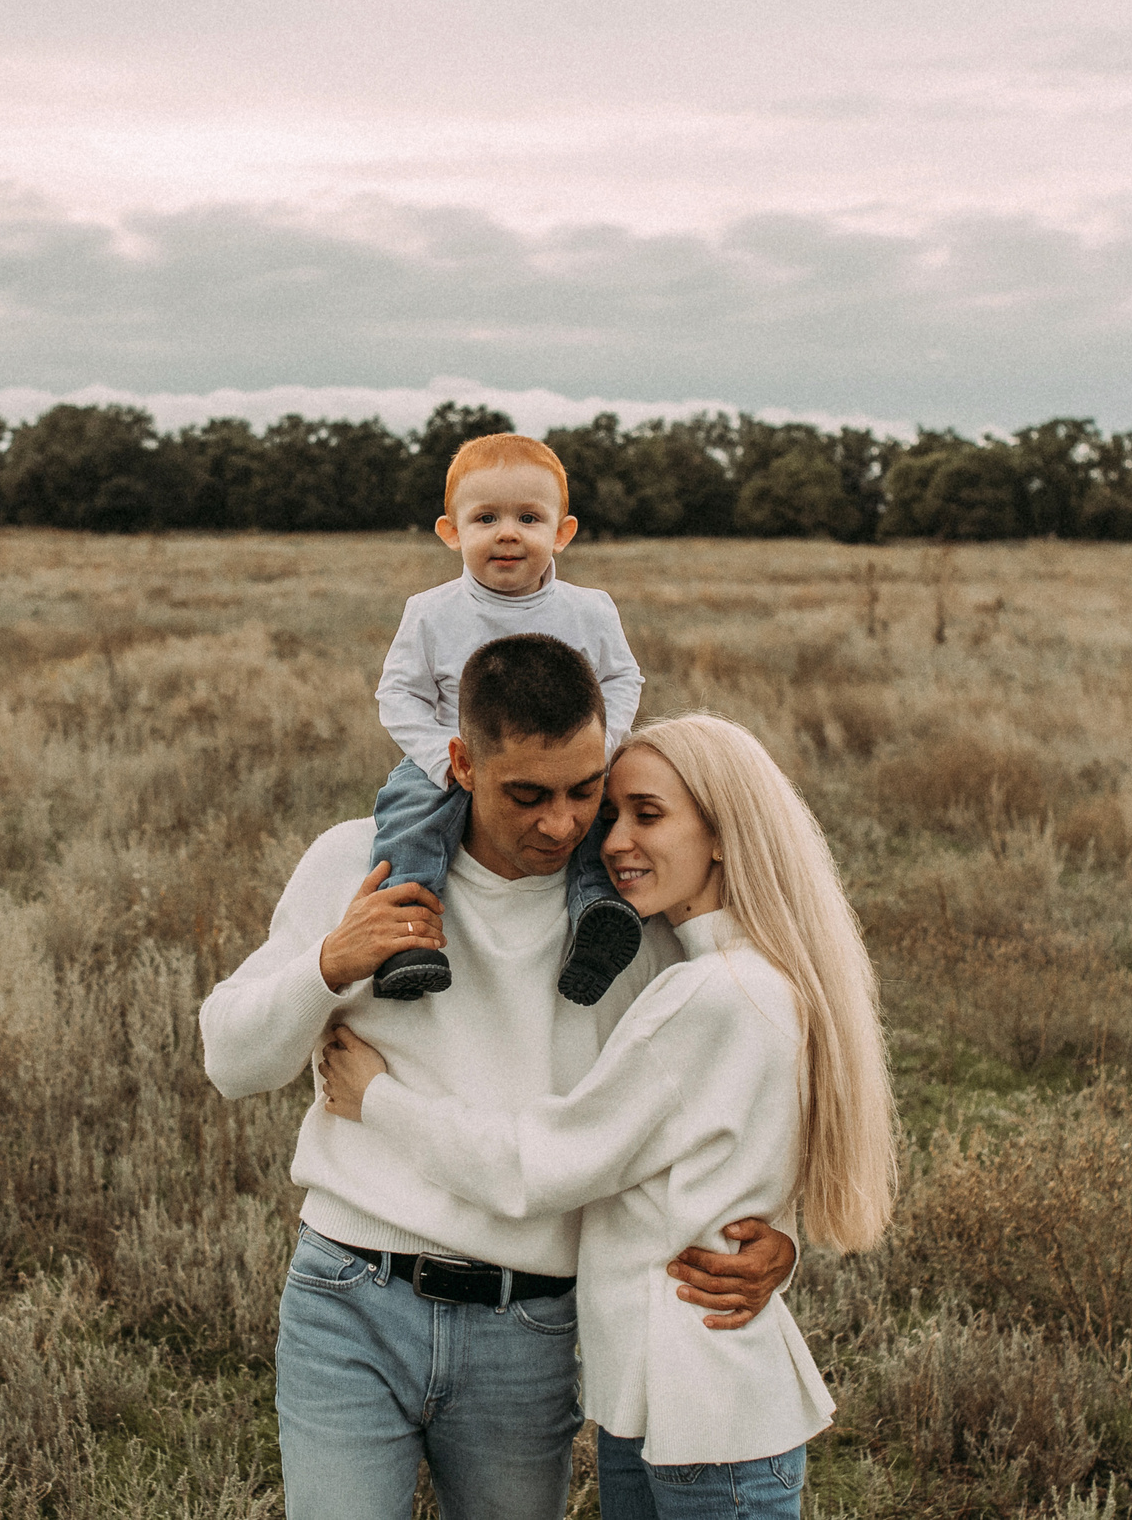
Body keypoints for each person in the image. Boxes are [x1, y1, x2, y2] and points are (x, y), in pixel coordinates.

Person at [201, 638, 798, 1520]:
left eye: (585, 790)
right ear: (462, 763)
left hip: (527, 1326)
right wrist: (328, 964)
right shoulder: (360, 861)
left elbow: (726, 1089)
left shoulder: (629, 916)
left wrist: (777, 1238)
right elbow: (228, 1061)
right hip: (349, 1297)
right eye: (528, 795)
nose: (563, 824)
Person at [317, 712, 898, 1520]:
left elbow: (538, 1165)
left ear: (723, 833)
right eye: (613, 814)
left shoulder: (709, 996)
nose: (614, 842)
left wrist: (377, 1099)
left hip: (702, 1413)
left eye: (648, 815)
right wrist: (779, 1243)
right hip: (674, 1407)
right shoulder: (756, 978)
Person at [368, 433, 645, 1005]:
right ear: (452, 531)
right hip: (455, 754)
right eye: (486, 518)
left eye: (529, 517)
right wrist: (439, 756)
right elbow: (398, 694)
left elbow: (623, 679)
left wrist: (602, 747)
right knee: (407, 812)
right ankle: (408, 931)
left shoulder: (588, 609)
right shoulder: (431, 612)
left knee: (591, 811)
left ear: (562, 532)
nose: (508, 533)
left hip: (567, 761)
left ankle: (598, 914)